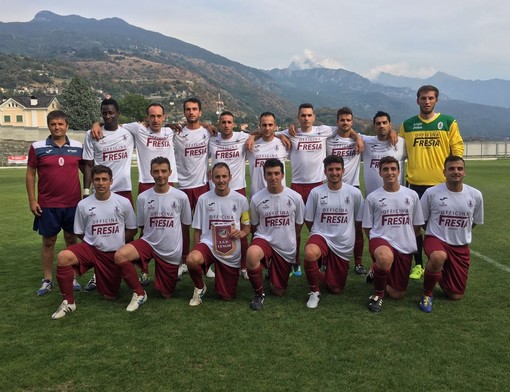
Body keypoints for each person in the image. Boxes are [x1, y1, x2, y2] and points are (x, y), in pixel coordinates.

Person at [91, 103, 179, 286]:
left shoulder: (171, 132)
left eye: (159, 116)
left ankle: (174, 262)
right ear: (146, 118)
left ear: (164, 117)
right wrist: (96, 123)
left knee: (170, 226)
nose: (155, 119)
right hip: (147, 184)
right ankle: (144, 269)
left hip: (168, 183)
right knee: (145, 228)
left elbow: (195, 127)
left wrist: (208, 126)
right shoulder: (137, 129)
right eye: (152, 116)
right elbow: (112, 122)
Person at [51, 165, 137, 319]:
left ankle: (105, 281)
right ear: (92, 181)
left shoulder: (123, 202)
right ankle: (68, 302)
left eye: (104, 179)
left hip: (113, 254)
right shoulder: (83, 204)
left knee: (110, 296)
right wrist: (94, 242)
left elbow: (132, 229)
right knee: (63, 257)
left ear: (111, 181)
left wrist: (116, 242)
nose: (100, 183)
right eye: (97, 179)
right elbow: (79, 231)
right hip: (91, 250)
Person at [400, 85, 464, 280]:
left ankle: (442, 262)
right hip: (416, 185)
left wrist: (453, 176)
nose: (426, 101)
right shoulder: (408, 125)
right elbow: (399, 153)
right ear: (417, 100)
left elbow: (457, 151)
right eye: (423, 98)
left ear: (436, 100)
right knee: (415, 227)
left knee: (439, 227)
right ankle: (418, 265)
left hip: (440, 186)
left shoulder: (448, 122)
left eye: (430, 98)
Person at [113, 157, 192, 310]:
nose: (160, 175)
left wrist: (183, 254)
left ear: (170, 172)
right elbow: (142, 227)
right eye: (156, 171)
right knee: (120, 255)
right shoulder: (143, 197)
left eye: (163, 171)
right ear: (151, 173)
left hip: (170, 250)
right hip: (148, 243)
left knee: (165, 294)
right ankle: (139, 293)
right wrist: (142, 258)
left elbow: (185, 227)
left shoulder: (181, 197)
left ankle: (168, 276)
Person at [26, 110, 84, 296]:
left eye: (61, 124)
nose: (57, 127)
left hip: (72, 204)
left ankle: (73, 276)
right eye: (53, 124)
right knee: (48, 241)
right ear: (48, 126)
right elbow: (30, 174)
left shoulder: (77, 147)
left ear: (67, 126)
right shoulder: (37, 147)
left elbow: (87, 170)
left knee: (71, 239)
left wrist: (87, 194)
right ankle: (47, 279)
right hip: (48, 205)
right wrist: (32, 200)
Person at [82, 98, 135, 292]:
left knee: (129, 232)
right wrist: (86, 192)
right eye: (104, 113)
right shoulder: (92, 134)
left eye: (111, 112)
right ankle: (98, 274)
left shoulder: (128, 132)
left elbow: (150, 127)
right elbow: (88, 165)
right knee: (99, 234)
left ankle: (121, 265)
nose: (108, 116)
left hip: (123, 190)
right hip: (101, 192)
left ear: (118, 113)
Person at [418, 156, 483, 313]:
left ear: (464, 172)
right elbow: (422, 219)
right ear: (444, 172)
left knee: (455, 295)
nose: (456, 171)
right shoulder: (431, 193)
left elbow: (473, 222)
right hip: (436, 239)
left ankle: (438, 272)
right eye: (451, 168)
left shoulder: (475, 195)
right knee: (438, 256)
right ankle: (427, 294)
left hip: (460, 245)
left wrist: (460, 233)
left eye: (459, 169)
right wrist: (432, 234)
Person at [362, 156, 424, 313]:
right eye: (385, 169)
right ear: (380, 172)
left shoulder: (412, 195)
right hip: (381, 240)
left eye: (393, 169)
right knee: (384, 257)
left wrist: (404, 237)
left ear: (398, 171)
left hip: (404, 245)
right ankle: (377, 295)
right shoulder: (373, 197)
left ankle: (377, 271)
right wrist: (376, 244)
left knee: (397, 294)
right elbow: (368, 227)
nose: (390, 172)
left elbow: (417, 225)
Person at [303, 155, 364, 308]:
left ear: (343, 171)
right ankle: (314, 292)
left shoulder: (354, 193)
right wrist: (316, 234)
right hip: (321, 235)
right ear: (325, 172)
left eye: (337, 169)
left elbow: (358, 221)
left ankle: (323, 273)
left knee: (335, 288)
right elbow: (309, 219)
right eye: (330, 169)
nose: (334, 173)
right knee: (310, 252)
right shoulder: (316, 192)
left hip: (342, 242)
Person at [185, 162, 250, 306]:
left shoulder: (241, 200)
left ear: (230, 177)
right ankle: (200, 287)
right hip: (208, 244)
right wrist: (196, 251)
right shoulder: (203, 199)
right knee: (191, 260)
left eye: (224, 176)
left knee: (227, 296)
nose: (221, 180)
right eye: (217, 177)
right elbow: (197, 229)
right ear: (212, 178)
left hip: (230, 249)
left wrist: (242, 233)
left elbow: (247, 226)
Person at [246, 159, 305, 310]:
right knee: (252, 254)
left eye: (277, 173)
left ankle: (272, 271)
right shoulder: (256, 199)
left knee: (278, 291)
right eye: (269, 174)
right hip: (264, 239)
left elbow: (298, 224)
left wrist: (288, 238)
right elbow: (254, 225)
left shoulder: (295, 197)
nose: (273, 177)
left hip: (285, 247)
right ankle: (259, 294)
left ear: (283, 175)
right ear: (264, 176)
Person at [173, 98, 215, 278]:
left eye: (194, 109)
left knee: (205, 226)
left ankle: (205, 262)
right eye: (188, 109)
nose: (191, 112)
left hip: (202, 185)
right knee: (182, 226)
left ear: (200, 112)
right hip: (182, 186)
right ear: (184, 112)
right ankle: (182, 261)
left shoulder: (208, 133)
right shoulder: (175, 133)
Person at [208, 111, 251, 279]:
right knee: (214, 227)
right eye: (223, 122)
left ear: (234, 124)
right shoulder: (211, 140)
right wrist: (206, 126)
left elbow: (261, 132)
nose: (226, 125)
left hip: (238, 190)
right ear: (219, 124)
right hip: (217, 192)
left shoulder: (243, 137)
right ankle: (213, 260)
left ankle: (243, 266)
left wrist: (253, 137)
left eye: (229, 122)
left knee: (242, 230)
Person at [362, 111, 406, 196]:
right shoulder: (366, 142)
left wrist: (392, 132)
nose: (381, 126)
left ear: (390, 124)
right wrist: (358, 138)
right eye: (378, 123)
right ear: (374, 127)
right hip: (372, 197)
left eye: (384, 123)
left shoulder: (401, 142)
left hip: (398, 196)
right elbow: (349, 132)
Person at [246, 112, 288, 197]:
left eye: (270, 125)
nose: (267, 128)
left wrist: (279, 135)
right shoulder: (250, 144)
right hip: (257, 196)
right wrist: (252, 137)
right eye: (264, 125)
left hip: (279, 195)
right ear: (259, 126)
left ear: (275, 126)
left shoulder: (283, 143)